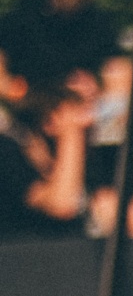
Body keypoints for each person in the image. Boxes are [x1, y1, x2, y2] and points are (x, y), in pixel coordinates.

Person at [0, 0, 117, 92]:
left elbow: (114, 65)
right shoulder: (25, 16)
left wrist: (97, 84)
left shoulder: (97, 22)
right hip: (29, 96)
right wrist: (7, 85)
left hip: (79, 99)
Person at [0, 88, 91, 238]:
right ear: (51, 121)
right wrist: (71, 132)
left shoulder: (91, 161)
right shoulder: (8, 154)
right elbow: (62, 204)